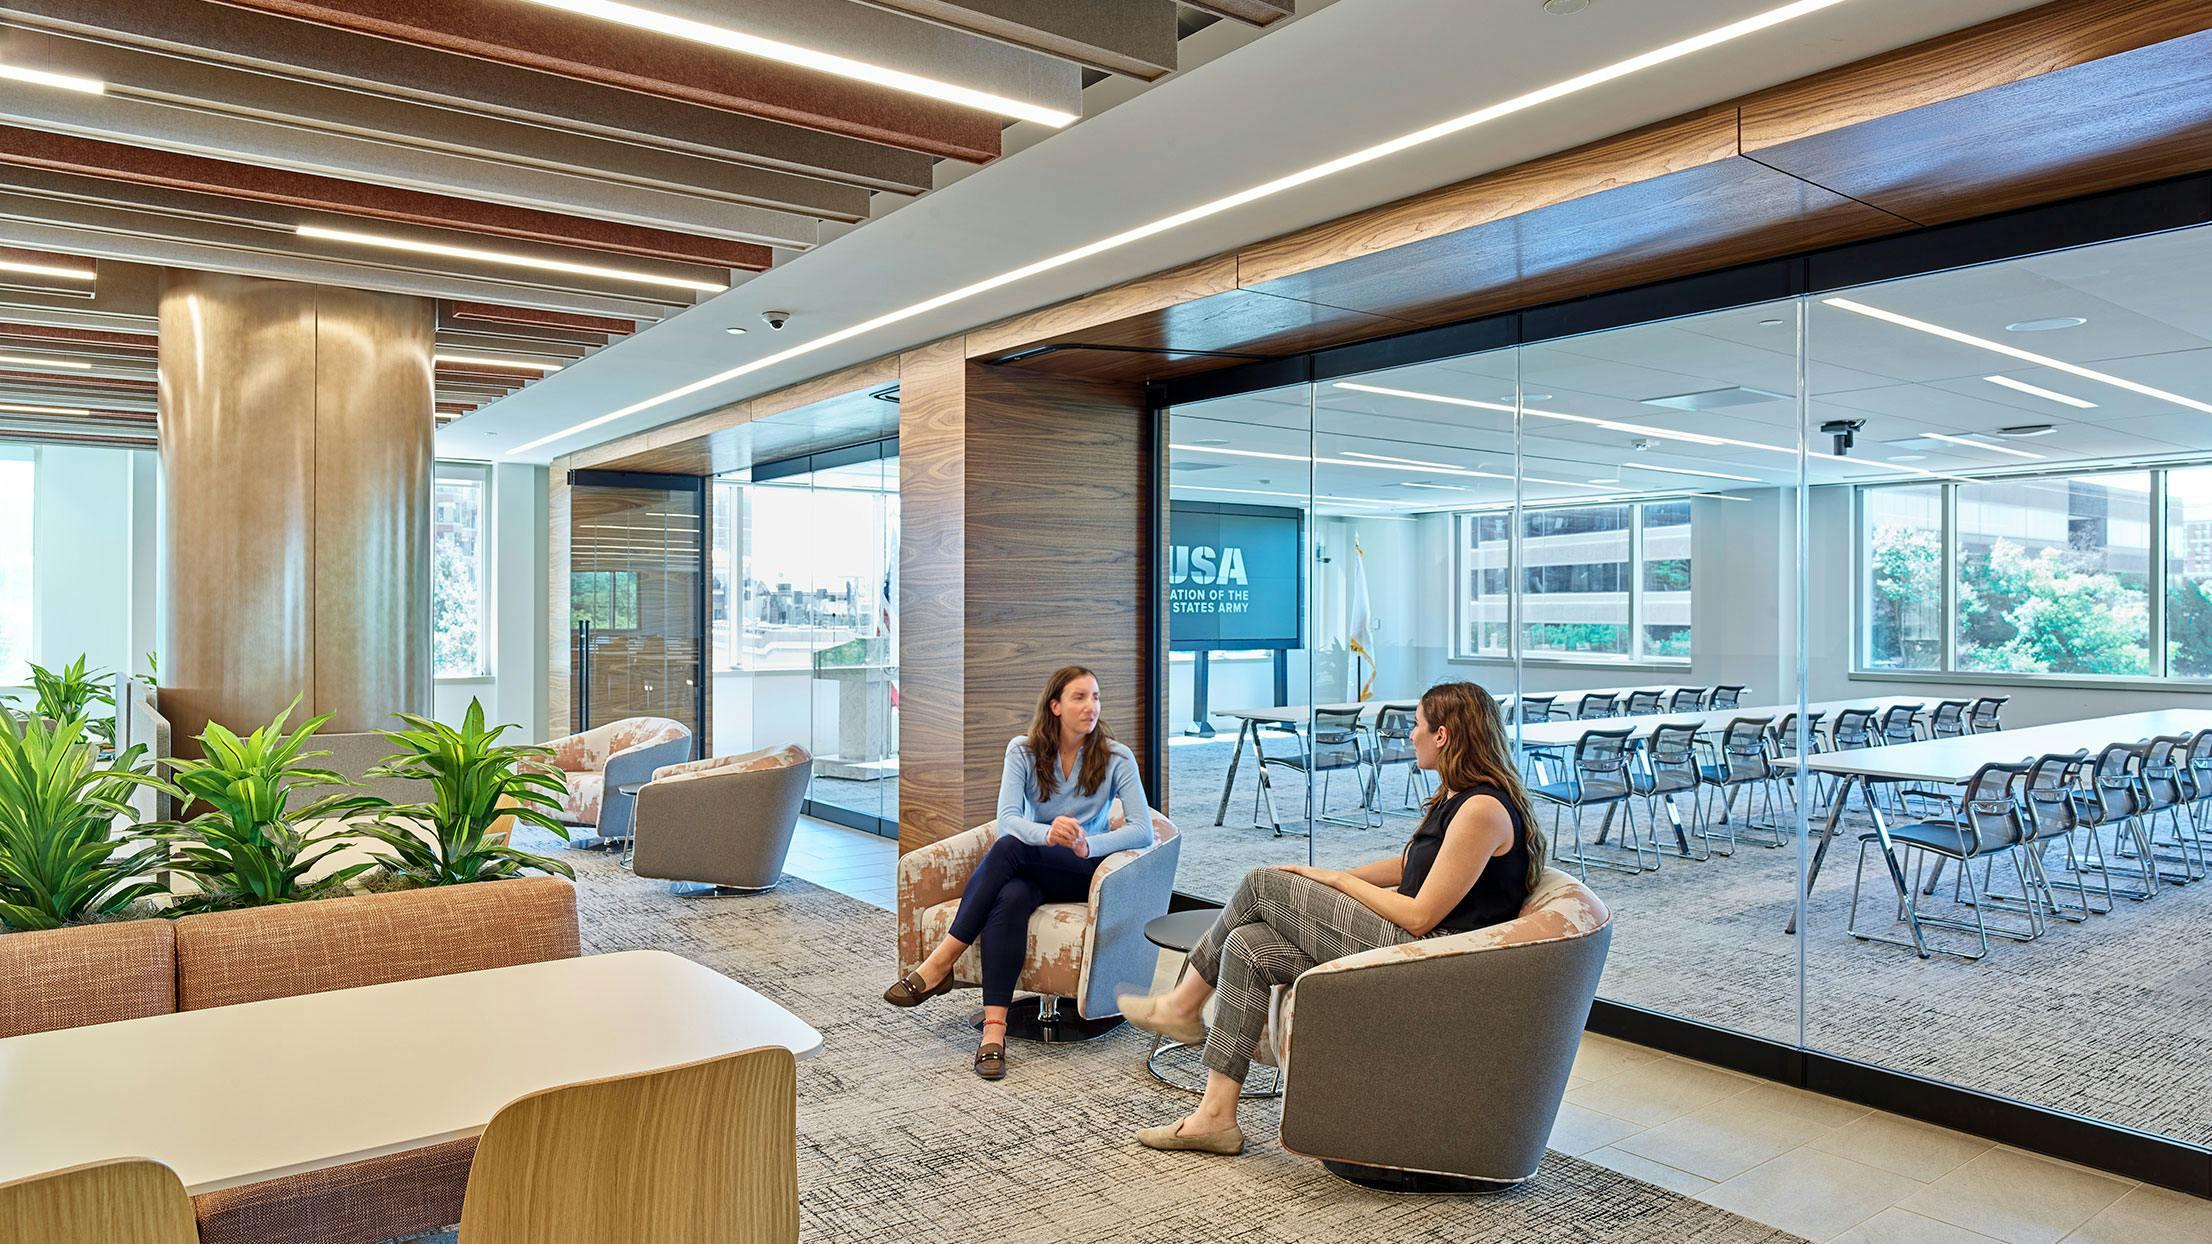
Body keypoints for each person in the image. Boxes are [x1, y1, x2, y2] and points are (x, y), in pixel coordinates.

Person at [1119, 680, 1546, 1155]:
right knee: (1248, 946)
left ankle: (1182, 1005)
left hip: (1429, 962)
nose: (1410, 736)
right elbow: (1410, 868)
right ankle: (1215, 1117)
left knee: (1263, 882)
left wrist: (1339, 885)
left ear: (1443, 735)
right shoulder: (1457, 797)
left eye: (1418, 726)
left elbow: (1422, 915)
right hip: (1411, 944)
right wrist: (1326, 878)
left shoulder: (1483, 809)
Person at [882, 665, 1154, 1080]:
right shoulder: (1023, 751)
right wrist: (1048, 833)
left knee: (1010, 850)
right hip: (1037, 860)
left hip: (1086, 870)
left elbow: (1143, 829)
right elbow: (1007, 819)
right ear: (1056, 706)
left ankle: (941, 962)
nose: (1091, 706)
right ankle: (994, 1033)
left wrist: (1088, 844)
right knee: (1009, 897)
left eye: (1096, 697)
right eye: (1080, 697)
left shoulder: (1115, 756)